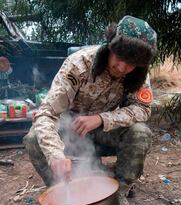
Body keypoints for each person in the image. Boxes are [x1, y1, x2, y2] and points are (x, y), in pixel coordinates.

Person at [23, 15, 157, 187]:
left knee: (140, 133)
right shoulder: (79, 64)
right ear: (110, 46)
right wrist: (55, 155)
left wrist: (102, 119)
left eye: (131, 64)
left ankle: (120, 190)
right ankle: (62, 191)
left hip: (104, 130)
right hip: (71, 128)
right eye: (119, 58)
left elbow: (143, 109)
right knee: (33, 138)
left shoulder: (139, 74)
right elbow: (46, 114)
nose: (122, 68)